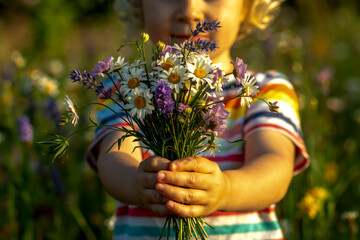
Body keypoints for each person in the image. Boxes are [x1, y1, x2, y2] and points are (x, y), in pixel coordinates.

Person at [86, 0, 310, 239]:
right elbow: (113, 157)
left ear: (247, 7)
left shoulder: (264, 91)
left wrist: (226, 190)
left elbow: (274, 165)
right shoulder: (126, 89)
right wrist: (137, 183)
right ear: (139, 5)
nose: (189, 12)